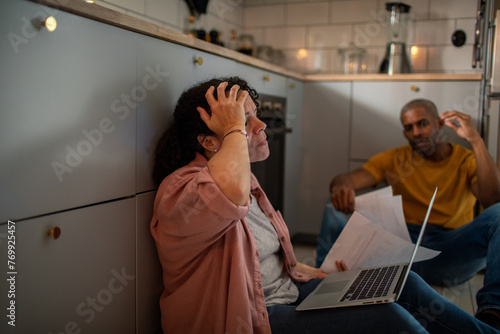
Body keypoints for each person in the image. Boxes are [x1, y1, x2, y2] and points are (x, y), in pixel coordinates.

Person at [150, 78, 498, 333]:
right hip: (259, 318)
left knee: (402, 284)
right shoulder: (182, 190)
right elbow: (230, 195)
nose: (260, 126)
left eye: (256, 116)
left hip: (292, 292)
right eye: (244, 121)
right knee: (390, 319)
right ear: (211, 139)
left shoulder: (245, 181)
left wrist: (321, 274)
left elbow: (265, 262)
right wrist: (233, 130)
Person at [316, 98, 500, 330]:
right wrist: (340, 187)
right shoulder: (395, 158)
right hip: (400, 250)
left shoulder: (466, 160)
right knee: (334, 206)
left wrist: (476, 140)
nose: (416, 133)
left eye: (422, 124)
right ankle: (319, 283)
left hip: (448, 252)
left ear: (439, 125)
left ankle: (493, 313)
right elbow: (348, 179)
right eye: (408, 127)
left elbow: (492, 200)